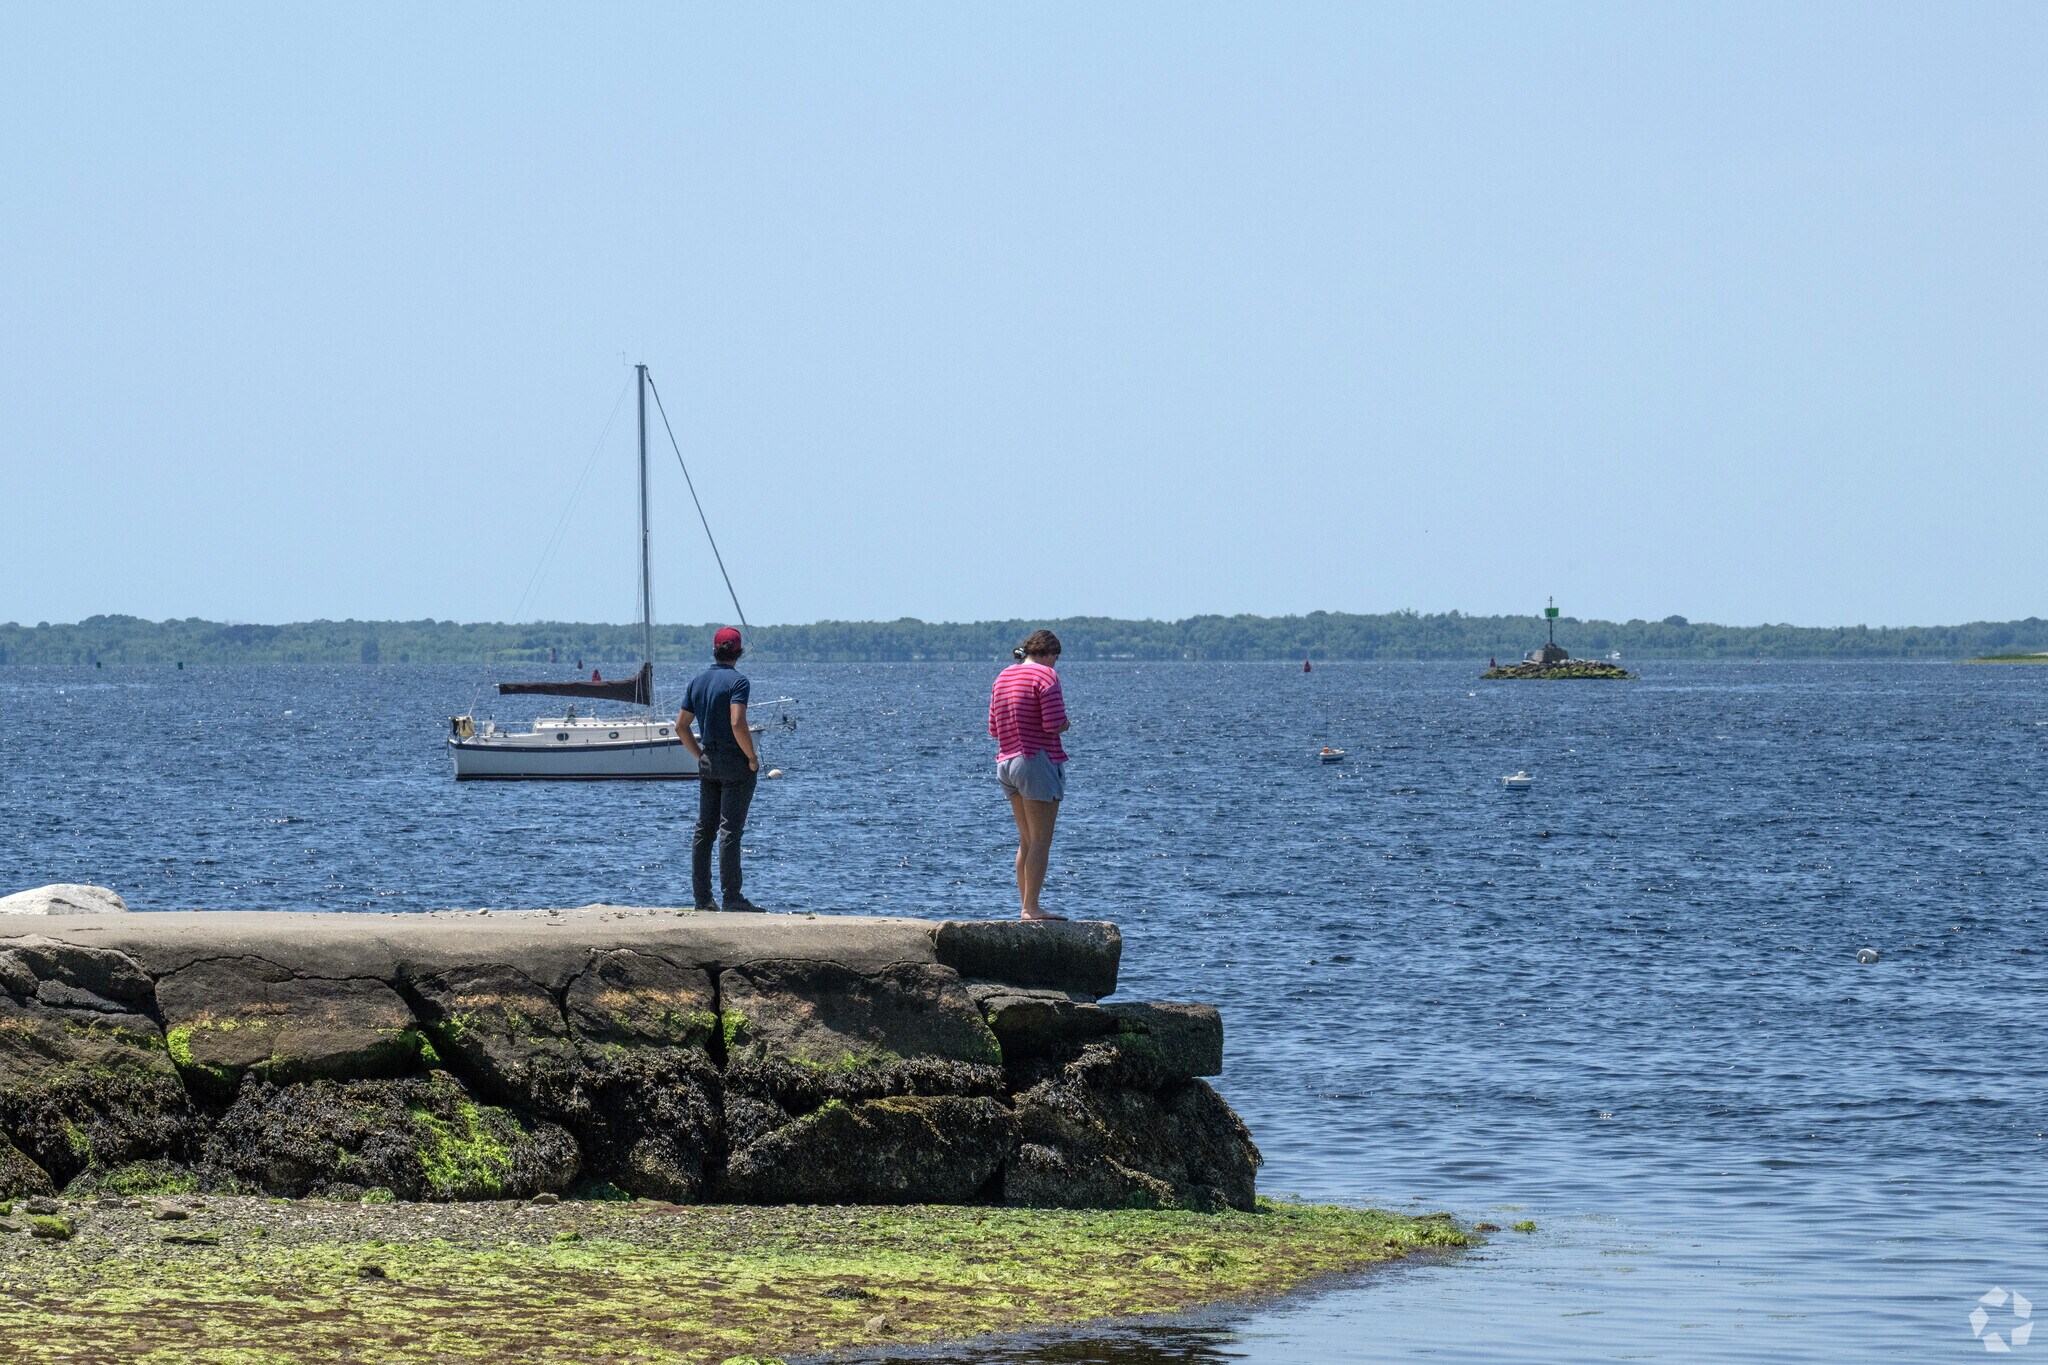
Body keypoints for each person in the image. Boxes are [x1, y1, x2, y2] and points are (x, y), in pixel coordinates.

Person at [678, 626, 763, 912]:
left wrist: (699, 754)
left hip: (709, 762)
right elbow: (737, 722)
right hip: (734, 763)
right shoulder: (738, 682)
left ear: (714, 651)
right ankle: (732, 897)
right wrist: (751, 757)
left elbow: (681, 726)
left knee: (705, 831)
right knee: (730, 831)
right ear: (739, 653)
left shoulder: (698, 681)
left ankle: (703, 899)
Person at [989, 629, 1070, 921]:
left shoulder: (1003, 676)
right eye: (1056, 659)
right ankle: (1031, 908)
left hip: (1006, 763)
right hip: (1035, 761)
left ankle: (1026, 905)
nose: (1055, 665)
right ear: (1049, 653)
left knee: (1025, 840)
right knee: (1040, 840)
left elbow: (993, 729)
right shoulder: (1046, 677)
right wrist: (1066, 724)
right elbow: (1053, 722)